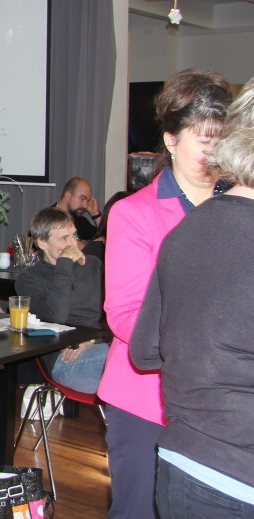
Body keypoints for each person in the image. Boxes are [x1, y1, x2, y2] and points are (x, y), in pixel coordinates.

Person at [98, 69, 232, 519]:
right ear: (171, 140)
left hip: (222, 403)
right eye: (204, 141)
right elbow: (125, 314)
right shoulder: (134, 213)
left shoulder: (238, 207)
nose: (215, 154)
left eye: (222, 141)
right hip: (147, 398)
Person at [130, 84, 254, 519]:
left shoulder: (188, 231)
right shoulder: (140, 212)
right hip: (234, 465)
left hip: (189, 457)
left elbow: (148, 347)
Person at [15, 207, 108, 393]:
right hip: (64, 358)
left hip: (97, 346)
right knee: (124, 358)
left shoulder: (93, 266)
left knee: (135, 355)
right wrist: (64, 265)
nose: (72, 243)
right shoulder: (28, 279)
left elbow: (112, 312)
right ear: (42, 242)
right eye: (63, 238)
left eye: (74, 235)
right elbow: (57, 315)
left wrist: (91, 341)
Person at [54, 177, 100, 241]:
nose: (85, 205)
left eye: (88, 200)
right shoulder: (50, 218)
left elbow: (105, 239)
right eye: (82, 199)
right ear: (68, 196)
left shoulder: (80, 221)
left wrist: (95, 214)